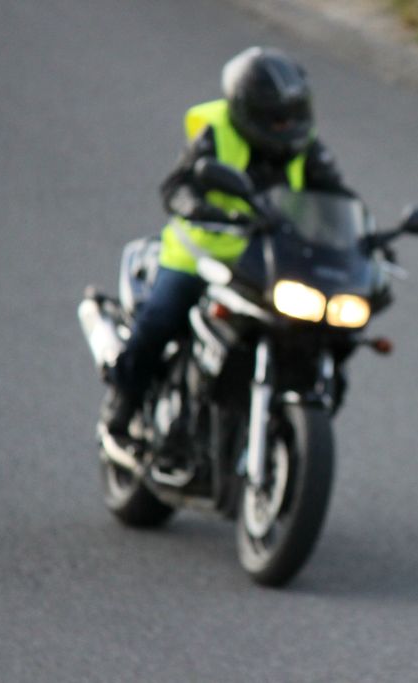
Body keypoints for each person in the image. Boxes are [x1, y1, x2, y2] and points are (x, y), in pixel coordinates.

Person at [102, 46, 352, 448]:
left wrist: (358, 240)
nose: (287, 124)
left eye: (294, 113)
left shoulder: (306, 145)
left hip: (266, 261)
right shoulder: (215, 132)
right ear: (247, 111)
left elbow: (336, 196)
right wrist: (201, 209)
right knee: (161, 318)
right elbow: (177, 187)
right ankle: (124, 398)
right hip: (200, 256)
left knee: (327, 329)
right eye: (277, 117)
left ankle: (285, 417)